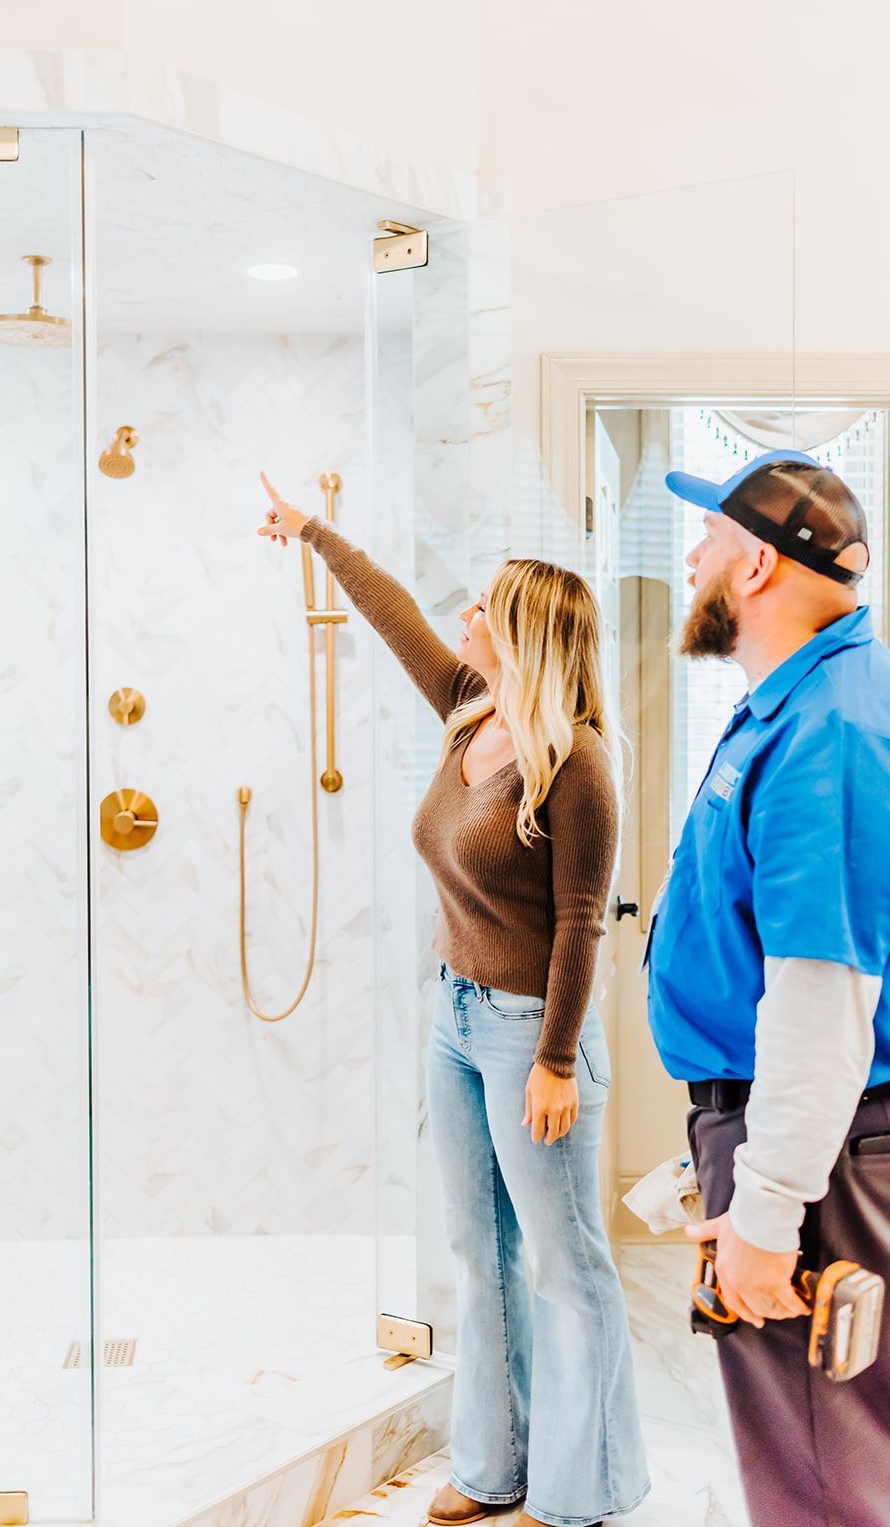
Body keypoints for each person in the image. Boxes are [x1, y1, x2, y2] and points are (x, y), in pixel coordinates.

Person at [257, 474, 649, 1527]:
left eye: (484, 606)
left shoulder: (579, 768)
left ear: (523, 634)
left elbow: (579, 924)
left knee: (567, 1265)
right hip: (455, 1019)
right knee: (483, 1256)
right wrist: (315, 532)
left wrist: (558, 1061)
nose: (464, 617)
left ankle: (580, 1490)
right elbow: (393, 616)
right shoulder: (468, 713)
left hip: (533, 1033)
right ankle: (493, 1467)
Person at [646, 449, 890, 1527]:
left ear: (754, 569)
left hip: (816, 1151)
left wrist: (771, 1204)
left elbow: (820, 995)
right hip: (789, 1134)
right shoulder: (794, 707)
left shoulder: (829, 728)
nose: (691, 553)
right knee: (816, 1457)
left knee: (820, 1479)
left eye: (708, 537)